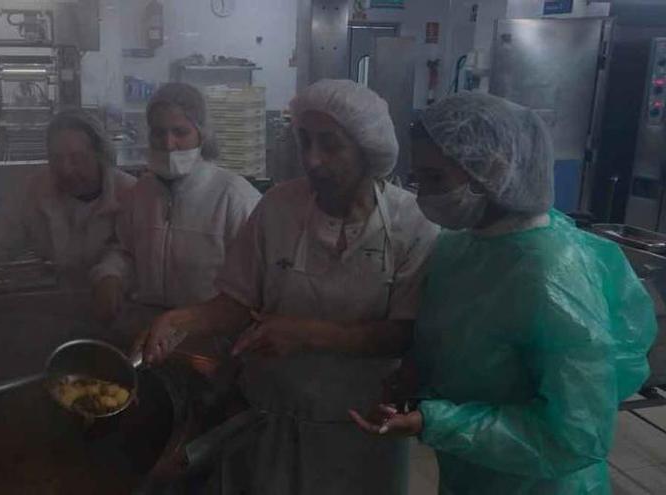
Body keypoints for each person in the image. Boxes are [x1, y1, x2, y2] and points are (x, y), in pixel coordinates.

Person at [134, 80, 440, 494]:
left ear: (368, 149)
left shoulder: (412, 224)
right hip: (272, 416)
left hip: (362, 427)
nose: (312, 160)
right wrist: (180, 320)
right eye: (305, 141)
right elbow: (238, 301)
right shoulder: (277, 207)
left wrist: (304, 334)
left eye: (330, 145)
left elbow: (403, 333)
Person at [350, 92, 657, 494]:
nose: (421, 193)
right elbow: (466, 352)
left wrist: (437, 422)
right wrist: (417, 379)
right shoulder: (461, 246)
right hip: (472, 472)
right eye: (418, 177)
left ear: (491, 169)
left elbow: (576, 435)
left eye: (435, 178)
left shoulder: (551, 274)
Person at [90, 82, 261, 321]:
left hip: (210, 331)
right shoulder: (140, 194)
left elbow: (253, 283)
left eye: (180, 132)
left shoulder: (234, 198)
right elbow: (124, 251)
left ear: (202, 134)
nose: (169, 144)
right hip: (146, 325)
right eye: (159, 133)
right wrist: (110, 276)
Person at [0, 110, 136, 283]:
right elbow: (1, 237)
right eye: (56, 159)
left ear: (100, 156)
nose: (66, 169)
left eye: (77, 158)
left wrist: (110, 276)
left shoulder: (129, 194)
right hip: (63, 293)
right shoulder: (35, 189)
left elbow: (131, 252)